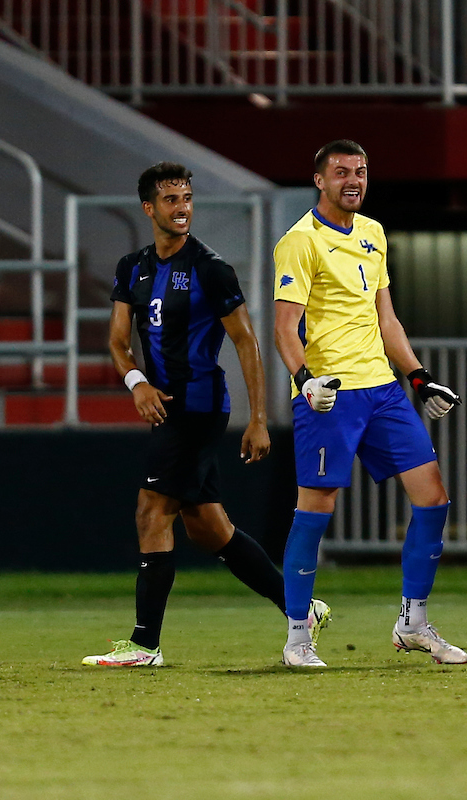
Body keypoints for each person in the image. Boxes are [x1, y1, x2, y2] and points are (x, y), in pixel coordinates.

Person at [85, 162, 328, 667]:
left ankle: (144, 644)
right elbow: (116, 339)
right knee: (207, 528)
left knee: (150, 511)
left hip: (196, 407)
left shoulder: (210, 267)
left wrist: (259, 417)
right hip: (165, 405)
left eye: (188, 198)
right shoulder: (134, 266)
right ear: (149, 208)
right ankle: (301, 609)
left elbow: (246, 341)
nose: (183, 208)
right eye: (171, 200)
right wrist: (137, 381)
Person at [273, 139, 465, 668]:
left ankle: (413, 623)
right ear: (320, 180)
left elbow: (386, 320)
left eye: (360, 171)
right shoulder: (300, 241)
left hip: (382, 389)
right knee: (315, 511)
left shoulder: (374, 233)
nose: (352, 180)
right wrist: (305, 380)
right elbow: (284, 327)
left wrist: (419, 378)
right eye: (340, 173)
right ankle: (297, 637)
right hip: (329, 395)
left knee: (433, 497)